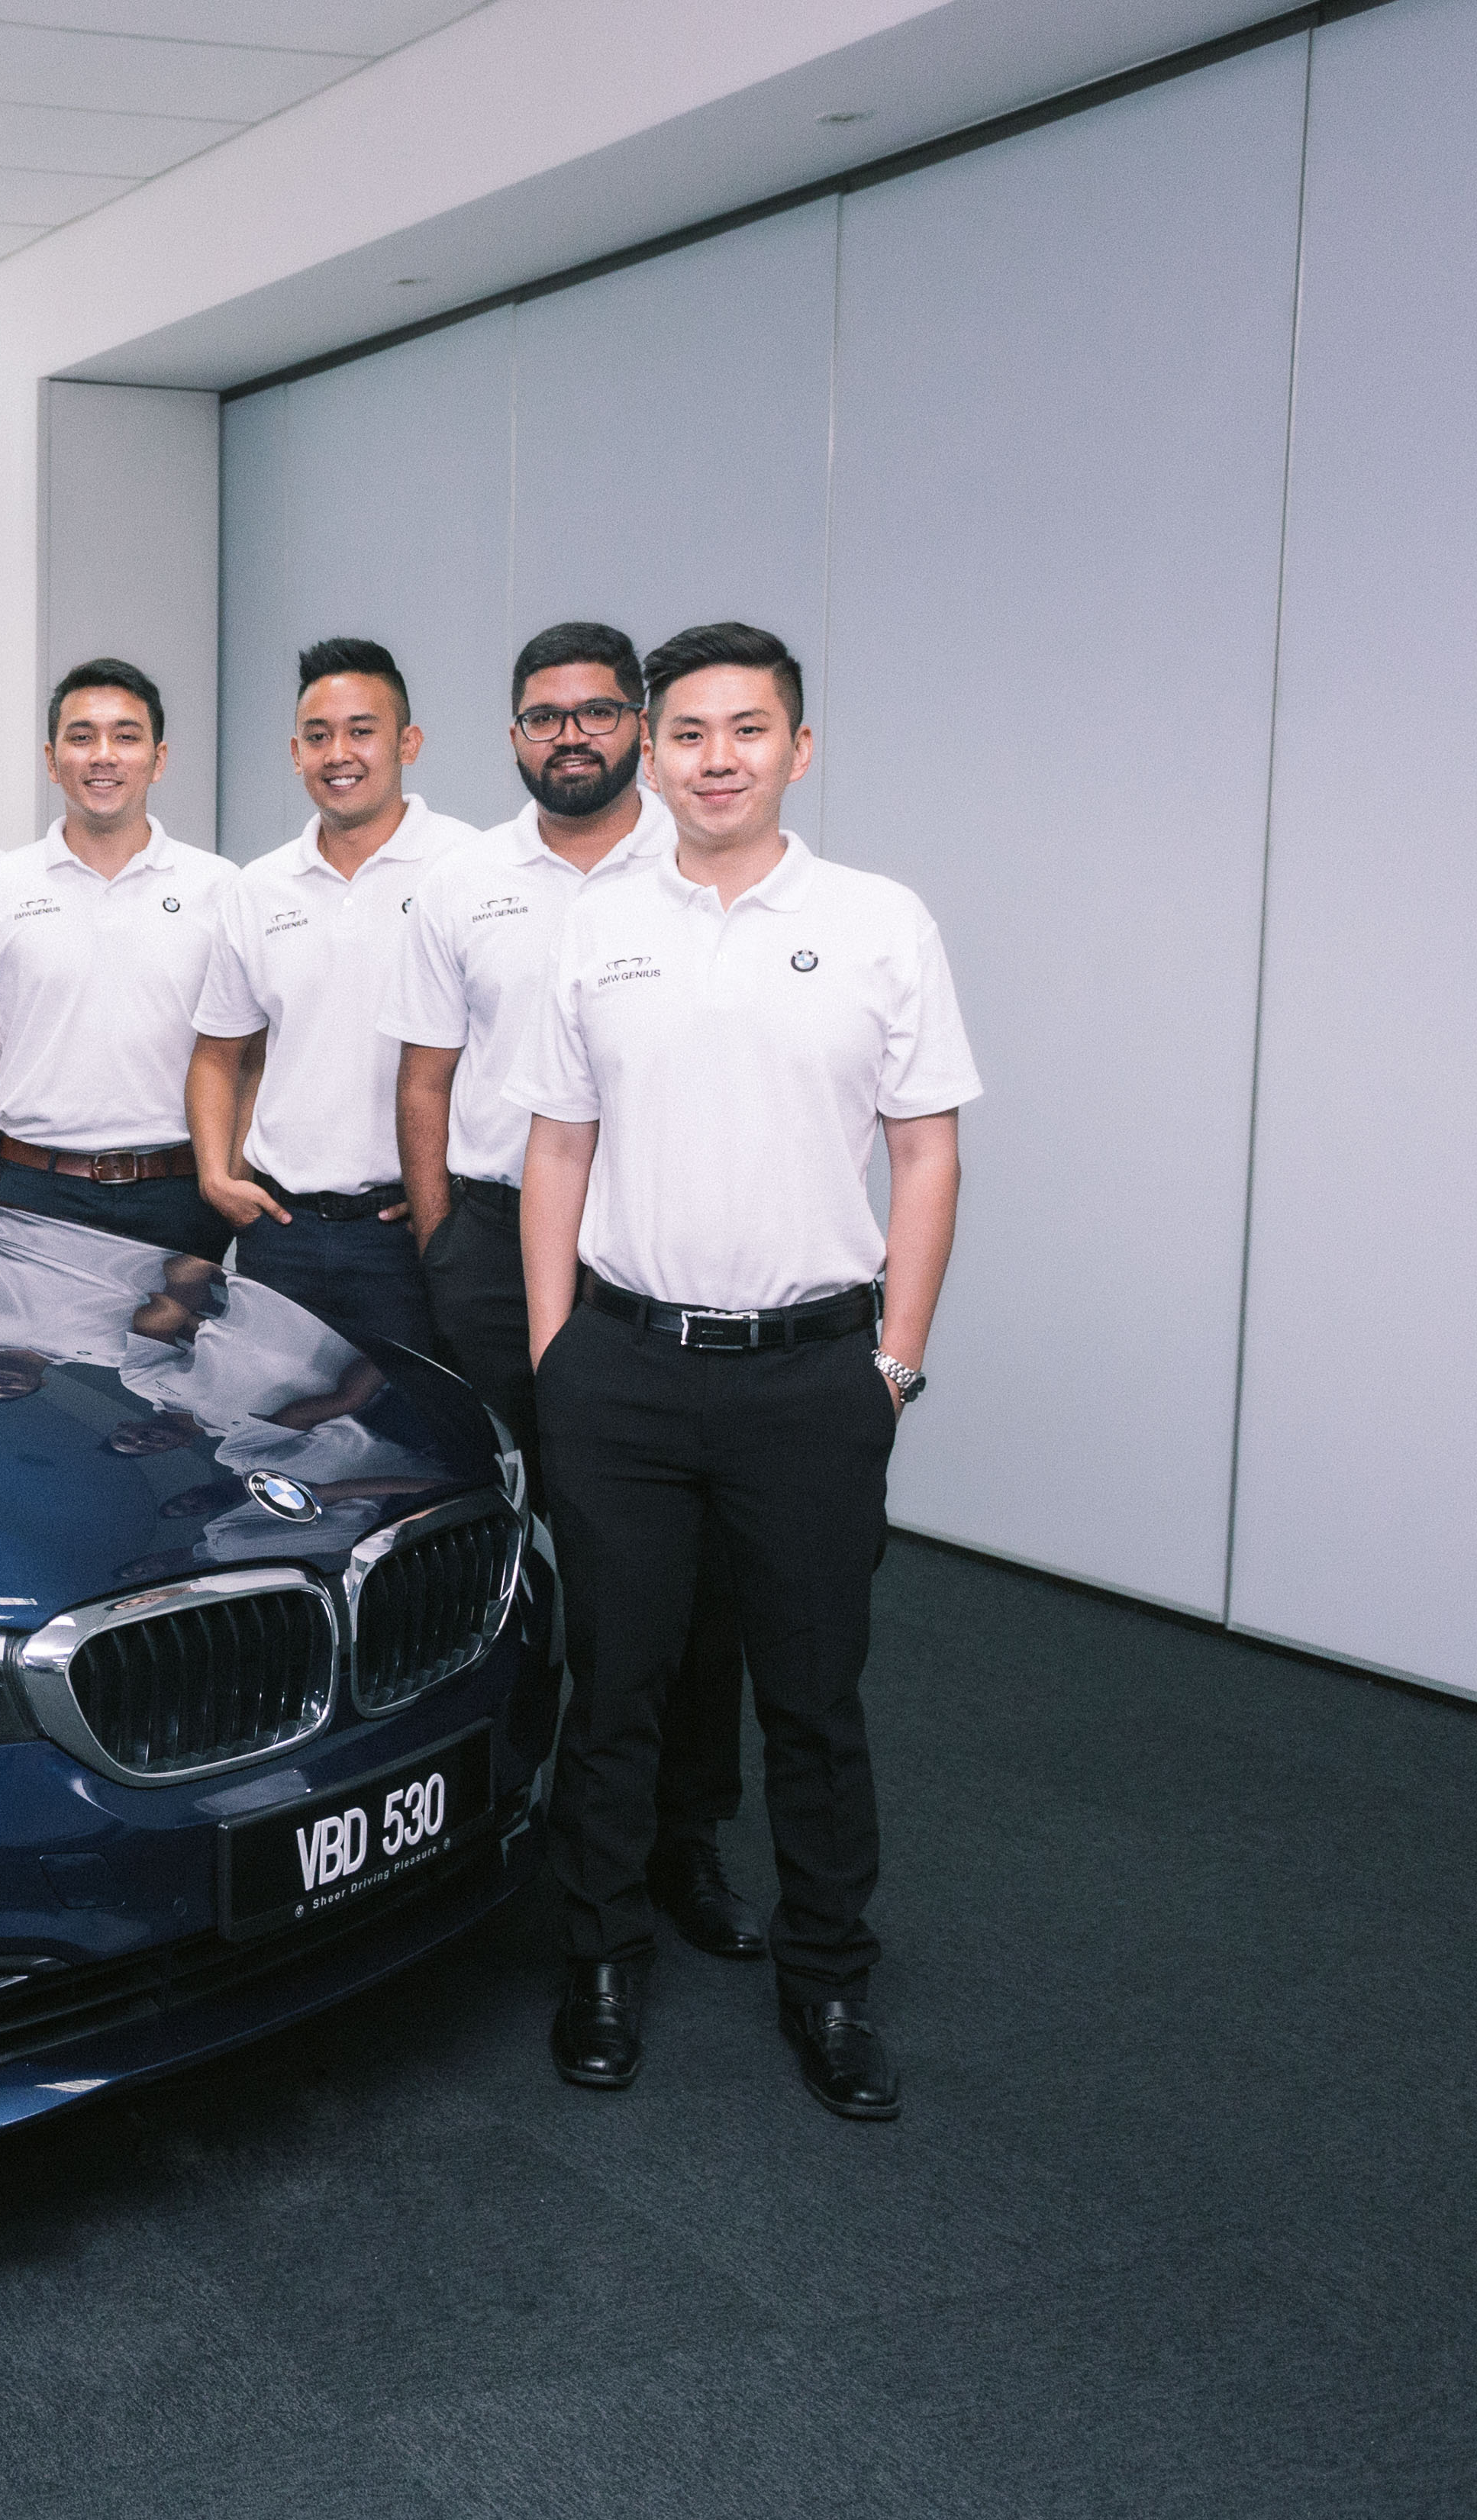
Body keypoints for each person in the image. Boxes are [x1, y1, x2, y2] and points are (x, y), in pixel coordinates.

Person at [511, 621, 978, 2124]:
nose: (717, 759)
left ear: (798, 748)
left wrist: (893, 1364)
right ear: (652, 754)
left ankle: (827, 1980)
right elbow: (557, 1146)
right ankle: (598, 1962)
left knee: (812, 1700)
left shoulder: (877, 921)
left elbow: (925, 1151)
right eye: (689, 733)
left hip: (809, 1378)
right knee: (614, 1686)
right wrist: (556, 1353)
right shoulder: (597, 923)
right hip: (623, 1373)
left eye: (747, 730)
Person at [388, 620, 763, 1961]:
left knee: (683, 1571)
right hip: (497, 1249)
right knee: (503, 1543)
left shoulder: (702, 868)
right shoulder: (460, 883)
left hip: (652, 1257)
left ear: (639, 729)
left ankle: (680, 1837)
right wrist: (446, 1243)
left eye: (598, 712)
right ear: (512, 735)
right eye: (545, 716)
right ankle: (499, 1810)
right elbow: (424, 1079)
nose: (571, 736)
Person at [185, 637, 465, 1361]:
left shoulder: (468, 869)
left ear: (408, 743)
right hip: (283, 1232)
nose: (338, 754)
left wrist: (443, 1200)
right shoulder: (259, 886)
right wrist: (216, 1176)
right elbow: (218, 1053)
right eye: (318, 736)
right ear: (295, 753)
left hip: (412, 1229)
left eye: (361, 731)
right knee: (270, 1419)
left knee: (419, 1422)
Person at [0, 657, 235, 1258]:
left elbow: (247, 1061)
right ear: (52, 759)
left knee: (175, 1328)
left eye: (126, 737)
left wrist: (225, 1183)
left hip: (180, 1194)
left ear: (159, 759)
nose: (103, 756)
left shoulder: (220, 889)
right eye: (82, 737)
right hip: (30, 1191)